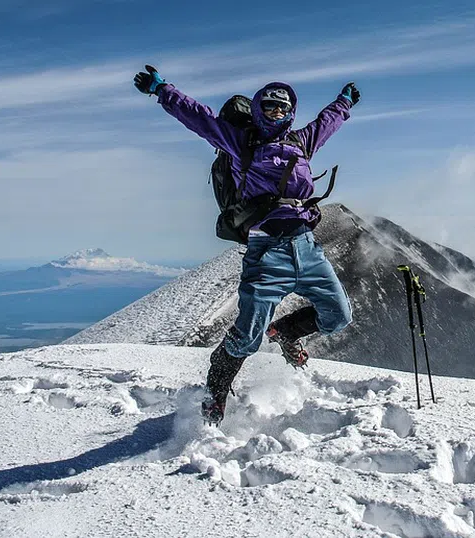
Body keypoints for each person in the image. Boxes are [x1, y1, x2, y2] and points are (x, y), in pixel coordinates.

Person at [133, 65, 359, 424]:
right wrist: (162, 90)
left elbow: (326, 123)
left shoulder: (301, 142)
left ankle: (284, 332)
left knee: (337, 316)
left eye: (283, 109)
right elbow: (200, 118)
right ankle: (217, 391)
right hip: (267, 253)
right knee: (247, 339)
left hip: (306, 247)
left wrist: (344, 102)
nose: (276, 114)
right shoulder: (242, 144)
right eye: (269, 107)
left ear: (290, 113)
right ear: (257, 109)